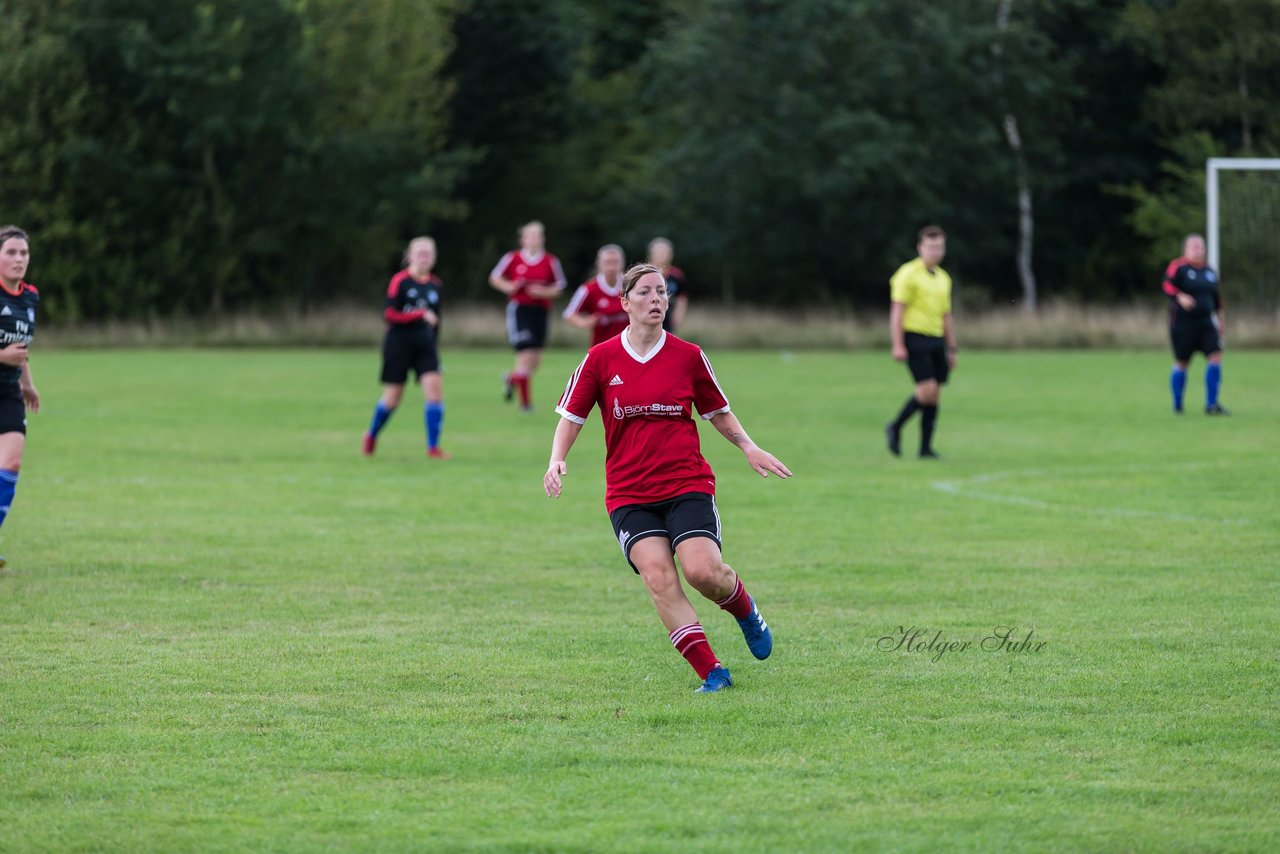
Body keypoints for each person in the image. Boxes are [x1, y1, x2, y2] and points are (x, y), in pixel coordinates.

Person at [544, 263, 792, 693]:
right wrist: (555, 460)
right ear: (625, 303)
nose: (656, 299)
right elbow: (572, 416)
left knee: (702, 572)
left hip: (686, 484)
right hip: (629, 494)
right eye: (645, 292)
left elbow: (718, 411)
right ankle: (713, 672)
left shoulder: (688, 355)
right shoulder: (600, 359)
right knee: (658, 578)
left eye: (662, 291)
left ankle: (745, 610)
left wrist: (748, 446)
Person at [362, 236, 449, 458]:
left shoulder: (436, 285)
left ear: (434, 258)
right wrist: (418, 314)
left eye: (428, 254)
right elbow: (389, 314)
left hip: (426, 347)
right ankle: (371, 435)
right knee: (392, 399)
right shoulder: (400, 281)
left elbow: (436, 321)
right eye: (419, 253)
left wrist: (435, 348)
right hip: (398, 345)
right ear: (409, 256)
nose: (423, 258)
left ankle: (433, 448)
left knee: (435, 396)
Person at [885, 225, 956, 459]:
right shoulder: (908, 274)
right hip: (914, 337)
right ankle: (895, 427)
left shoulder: (944, 278)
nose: (935, 251)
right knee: (927, 390)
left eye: (939, 247)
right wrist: (897, 344)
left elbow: (946, 315)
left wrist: (952, 347)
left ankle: (925, 448)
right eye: (930, 247)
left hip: (936, 340)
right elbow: (897, 311)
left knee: (935, 394)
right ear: (920, 247)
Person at [489, 221, 567, 412]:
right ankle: (526, 405)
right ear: (522, 239)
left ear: (542, 239)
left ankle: (511, 378)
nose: (533, 240)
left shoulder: (550, 261)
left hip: (541, 312)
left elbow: (559, 288)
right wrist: (509, 287)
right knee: (524, 357)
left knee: (535, 361)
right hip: (520, 311)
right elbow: (495, 277)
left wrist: (542, 292)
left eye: (537, 236)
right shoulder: (512, 258)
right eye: (529, 236)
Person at [0, 225, 41, 569]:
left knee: (11, 464)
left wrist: (28, 382)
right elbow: (8, 351)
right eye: (11, 252)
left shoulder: (31, 298)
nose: (18, 259)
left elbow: (22, 348)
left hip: (10, 392)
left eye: (23, 253)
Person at [1162, 233, 1227, 415]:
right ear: (1186, 249)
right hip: (1184, 324)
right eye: (1195, 247)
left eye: (1201, 247)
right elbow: (1166, 286)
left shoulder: (1209, 271)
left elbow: (1216, 299)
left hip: (1206, 323)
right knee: (1182, 362)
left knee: (1215, 357)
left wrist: (1221, 321)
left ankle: (1211, 405)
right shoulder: (1178, 267)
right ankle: (1177, 404)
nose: (1198, 250)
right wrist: (1180, 296)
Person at [562, 244, 629, 347]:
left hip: (630, 346)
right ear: (599, 264)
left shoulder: (631, 286)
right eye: (607, 262)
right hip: (601, 347)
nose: (611, 266)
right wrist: (584, 322)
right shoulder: (589, 289)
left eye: (615, 262)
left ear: (622, 263)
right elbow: (569, 314)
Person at [646, 237, 688, 333]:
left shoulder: (677, 275)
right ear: (651, 254)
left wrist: (679, 315)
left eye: (665, 252)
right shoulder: (642, 273)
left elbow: (681, 297)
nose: (662, 255)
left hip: (668, 317)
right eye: (659, 252)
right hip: (645, 316)